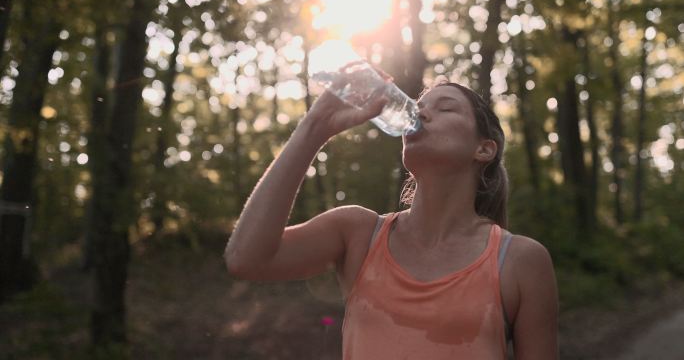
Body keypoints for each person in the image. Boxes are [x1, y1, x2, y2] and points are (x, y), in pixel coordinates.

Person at [224, 74, 559, 359]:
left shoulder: (519, 260)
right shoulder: (357, 233)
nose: (420, 114)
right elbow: (245, 258)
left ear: (484, 149)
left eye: (445, 108)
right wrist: (315, 127)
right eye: (419, 107)